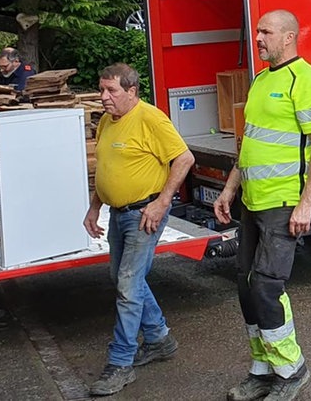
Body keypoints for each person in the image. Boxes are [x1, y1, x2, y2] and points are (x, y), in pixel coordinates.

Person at [214, 9, 311, 401]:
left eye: (266, 31)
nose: (258, 38)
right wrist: (230, 190)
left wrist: (305, 205)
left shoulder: (308, 80)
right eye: (258, 31)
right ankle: (263, 370)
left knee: (266, 286)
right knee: (246, 288)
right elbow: (248, 143)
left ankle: (292, 370)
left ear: (288, 37)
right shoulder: (262, 81)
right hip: (253, 201)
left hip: (284, 203)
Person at [83, 63, 195, 397]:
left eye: (111, 91)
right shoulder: (106, 121)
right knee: (122, 278)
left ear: (132, 92)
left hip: (144, 213)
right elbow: (108, 168)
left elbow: (184, 159)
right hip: (118, 213)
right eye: (102, 90)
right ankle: (159, 338)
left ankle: (120, 362)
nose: (104, 97)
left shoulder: (151, 118)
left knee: (128, 284)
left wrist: (162, 203)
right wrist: (95, 205)